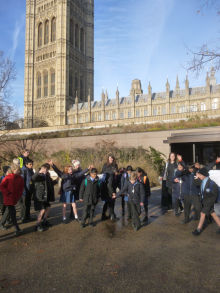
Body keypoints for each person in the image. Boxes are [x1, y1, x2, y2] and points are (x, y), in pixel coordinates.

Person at [192, 167, 220, 236]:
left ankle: (198, 230)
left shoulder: (212, 183)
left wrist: (210, 202)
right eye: (199, 175)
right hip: (204, 201)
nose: (199, 176)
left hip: (209, 202)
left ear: (205, 175)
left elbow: (215, 195)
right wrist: (196, 177)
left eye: (200, 175)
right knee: (213, 214)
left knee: (202, 214)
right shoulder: (201, 180)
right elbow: (194, 184)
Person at [32, 164, 58, 232]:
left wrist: (56, 181)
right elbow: (33, 178)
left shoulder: (47, 175)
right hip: (39, 196)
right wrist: (39, 172)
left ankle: (44, 221)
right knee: (42, 210)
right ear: (41, 168)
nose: (45, 171)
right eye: (44, 169)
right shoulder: (38, 175)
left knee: (48, 207)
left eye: (47, 170)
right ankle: (37, 225)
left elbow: (50, 184)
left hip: (45, 196)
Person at [0, 164, 24, 235]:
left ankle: (1, 223)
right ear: (13, 170)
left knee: (8, 211)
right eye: (17, 170)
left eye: (19, 170)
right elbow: (1, 186)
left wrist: (19, 195)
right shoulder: (8, 177)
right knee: (13, 213)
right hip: (8, 198)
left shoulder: (20, 178)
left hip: (15, 198)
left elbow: (21, 188)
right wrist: (8, 193)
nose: (19, 171)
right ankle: (17, 229)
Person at [17, 158, 35, 223]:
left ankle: (28, 216)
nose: (31, 165)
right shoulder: (23, 170)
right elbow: (22, 182)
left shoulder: (31, 170)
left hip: (29, 190)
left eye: (32, 164)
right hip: (24, 191)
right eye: (30, 164)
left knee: (28, 204)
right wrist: (23, 191)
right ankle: (23, 217)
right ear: (26, 164)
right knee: (23, 205)